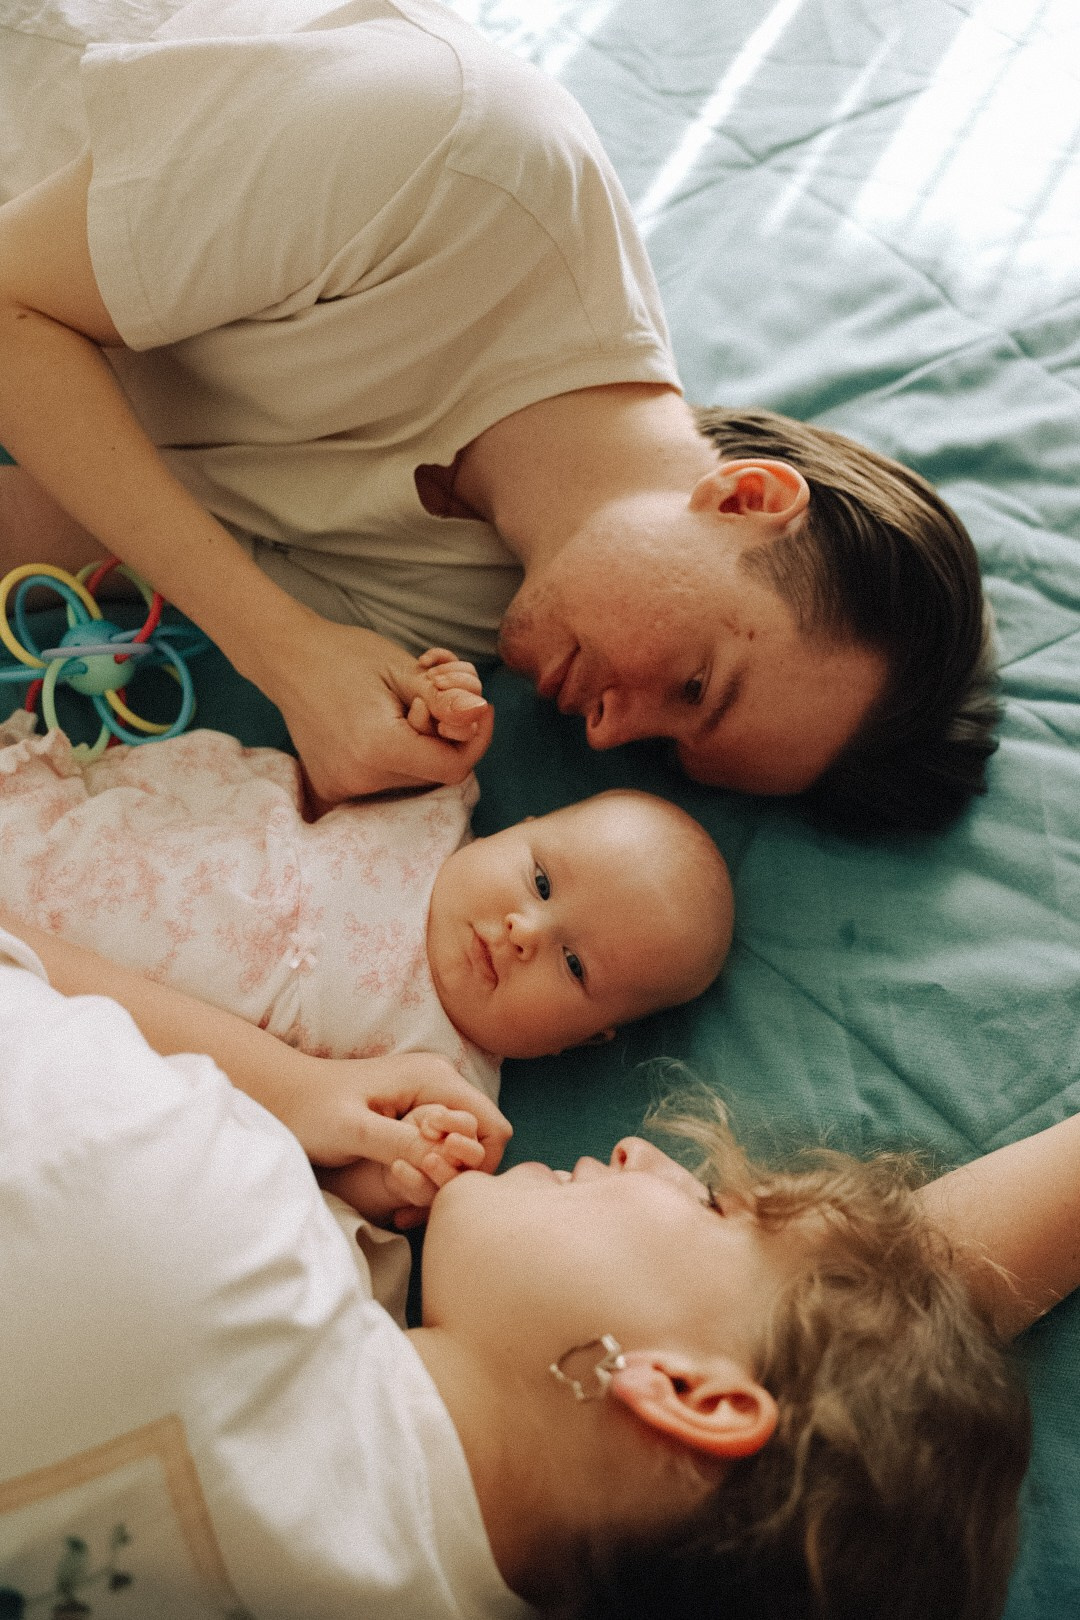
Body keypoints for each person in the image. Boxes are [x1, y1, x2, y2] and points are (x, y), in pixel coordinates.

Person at [0, 0, 998, 836]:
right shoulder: (455, 164)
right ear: (747, 496)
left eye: (664, 750)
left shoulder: (464, 616)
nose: (607, 732)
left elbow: (94, 519)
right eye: (696, 689)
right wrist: (285, 648)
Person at [0, 913, 1070, 1619]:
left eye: (715, 1207)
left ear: (687, 1394)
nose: (641, 1153)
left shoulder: (194, 1214)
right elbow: (872, 1352)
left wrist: (280, 1085)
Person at [0, 648, 731, 1218]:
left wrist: (398, 1174)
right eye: (539, 882)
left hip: (56, 1033)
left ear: (582, 1038)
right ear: (519, 830)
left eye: (573, 964)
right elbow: (355, 741)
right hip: (80, 839)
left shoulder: (450, 1085)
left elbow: (327, 1167)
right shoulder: (430, 810)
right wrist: (435, 700)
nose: (523, 931)